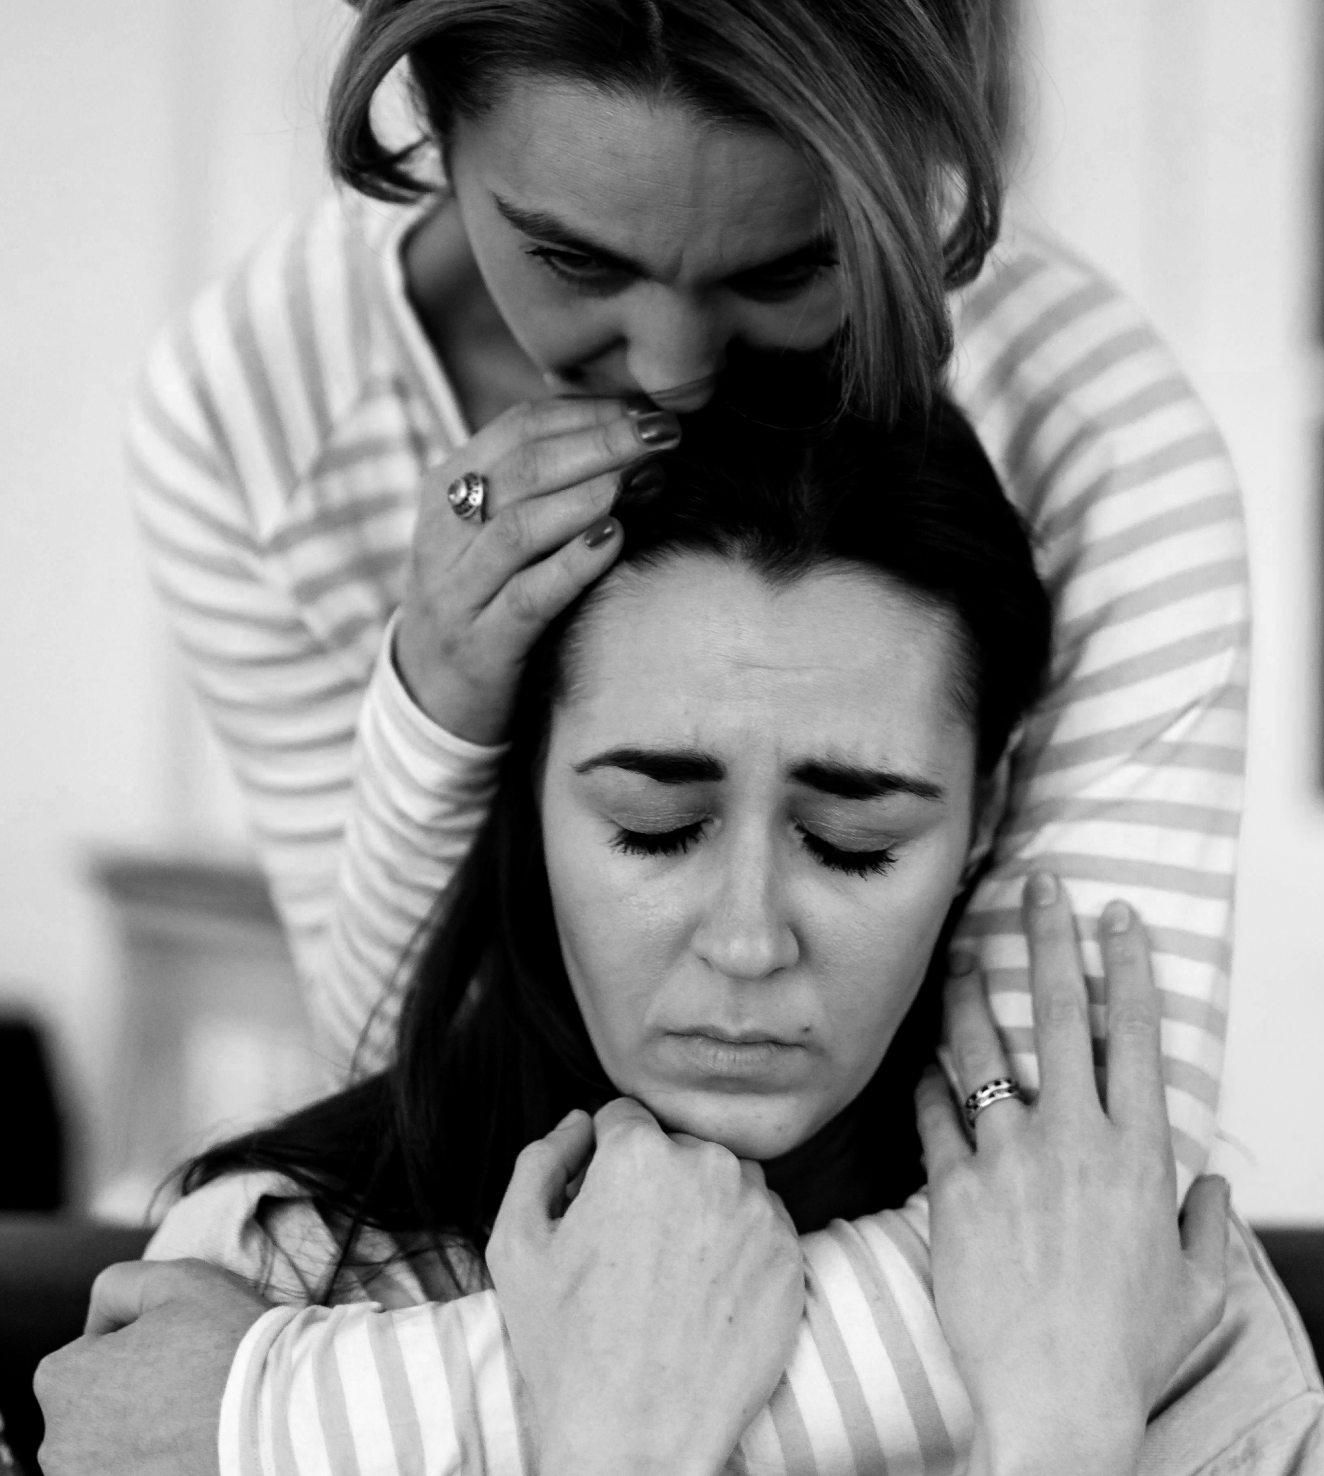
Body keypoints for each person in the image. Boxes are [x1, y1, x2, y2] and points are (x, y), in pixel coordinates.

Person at [65, 0, 1246, 1464]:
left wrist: (281, 1414)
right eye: (574, 260)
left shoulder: (1099, 430)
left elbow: (1087, 1235)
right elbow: (405, 1045)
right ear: (431, 118)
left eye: (786, 263)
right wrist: (434, 704)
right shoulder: (249, 414)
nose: (677, 370)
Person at [44, 399, 1324, 1476]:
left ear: (987, 813)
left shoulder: (1121, 1272)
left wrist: (1062, 1433)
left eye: (853, 843)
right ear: (530, 795)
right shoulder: (282, 1278)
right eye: (654, 826)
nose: (746, 944)